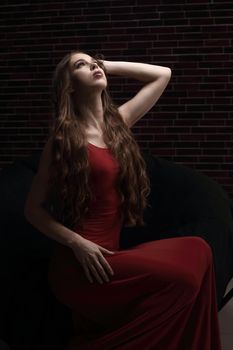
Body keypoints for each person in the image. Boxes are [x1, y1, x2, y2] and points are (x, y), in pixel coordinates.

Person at [24, 50, 222, 350]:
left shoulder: (118, 124)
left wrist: (105, 66)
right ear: (69, 87)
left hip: (111, 257)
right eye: (82, 65)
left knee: (200, 250)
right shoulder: (64, 139)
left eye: (95, 62)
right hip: (81, 265)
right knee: (184, 277)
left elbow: (162, 74)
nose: (93, 67)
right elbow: (32, 209)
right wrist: (78, 243)